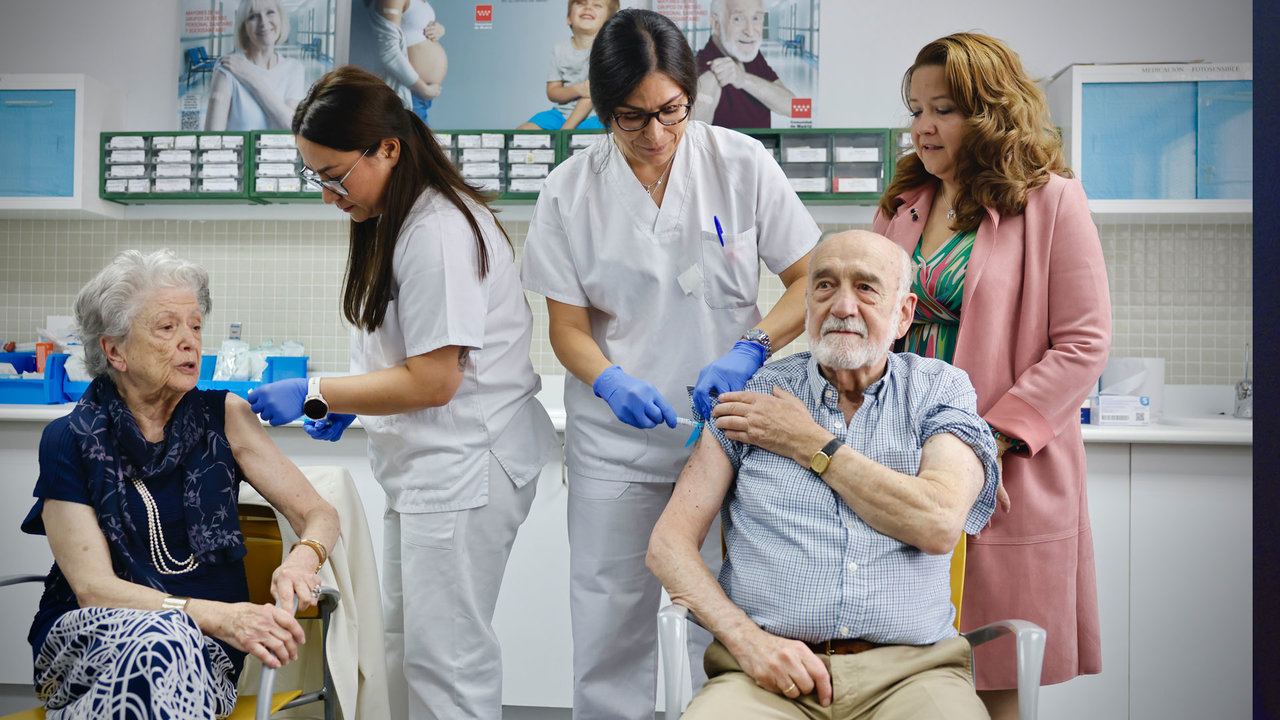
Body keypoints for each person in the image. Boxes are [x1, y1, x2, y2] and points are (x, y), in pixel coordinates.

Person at [520, 9, 818, 719]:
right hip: (615, 446)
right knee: (607, 626)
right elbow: (566, 328)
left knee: (720, 621)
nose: (655, 136)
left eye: (670, 112)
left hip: (724, 438)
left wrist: (753, 347)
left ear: (689, 94)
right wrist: (608, 378)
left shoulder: (741, 165)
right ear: (600, 107)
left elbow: (811, 280)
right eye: (630, 117)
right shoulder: (569, 192)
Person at [246, 65, 558, 720]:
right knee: (405, 647)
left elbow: (435, 379)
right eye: (317, 179)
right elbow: (406, 358)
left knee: (447, 660)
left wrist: (318, 391)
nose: (330, 195)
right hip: (432, 469)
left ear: (387, 148)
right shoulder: (394, 215)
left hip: (466, 466)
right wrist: (340, 400)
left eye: (336, 176)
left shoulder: (437, 230)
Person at [647, 230, 1000, 719]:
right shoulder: (757, 394)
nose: (842, 306)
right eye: (825, 286)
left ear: (904, 314)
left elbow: (938, 523)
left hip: (913, 674)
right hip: (765, 675)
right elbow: (668, 544)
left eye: (866, 288)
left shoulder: (937, 389)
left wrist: (808, 442)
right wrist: (747, 642)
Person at [874, 32, 1111, 719]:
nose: (922, 126)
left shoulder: (1052, 203)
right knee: (906, 675)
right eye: (915, 108)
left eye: (942, 108)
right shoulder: (903, 203)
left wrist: (984, 443)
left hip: (1001, 467)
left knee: (996, 672)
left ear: (989, 112)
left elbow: (1082, 343)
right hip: (899, 465)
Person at [20, 249, 340, 718]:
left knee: (170, 646)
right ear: (115, 351)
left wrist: (302, 560)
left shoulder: (226, 417)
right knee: (164, 640)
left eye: (195, 325)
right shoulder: (68, 439)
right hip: (91, 640)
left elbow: (320, 514)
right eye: (168, 328)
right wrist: (217, 616)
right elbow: (94, 590)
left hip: (206, 653)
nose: (190, 342)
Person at [205, 0, 307, 131]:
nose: (263, 23)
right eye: (252, 16)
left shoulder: (294, 68)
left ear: (281, 19)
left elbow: (292, 126)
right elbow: (211, 140)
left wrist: (251, 78)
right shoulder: (228, 67)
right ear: (244, 28)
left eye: (270, 12)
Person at [692, 0, 795, 129]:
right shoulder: (703, 69)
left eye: (756, 18)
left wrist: (742, 79)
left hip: (761, 149)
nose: (750, 32)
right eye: (737, 19)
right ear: (716, 24)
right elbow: (689, 136)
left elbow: (796, 109)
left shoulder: (751, 56)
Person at [517, 0, 618, 131]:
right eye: (581, 3)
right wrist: (577, 89)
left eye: (597, 5)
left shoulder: (607, 51)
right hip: (560, 115)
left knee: (599, 134)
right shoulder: (559, 49)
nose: (587, 7)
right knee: (524, 131)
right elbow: (553, 92)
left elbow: (590, 97)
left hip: (593, 116)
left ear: (608, 23)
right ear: (569, 18)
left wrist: (565, 130)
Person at [363, 0, 446, 123]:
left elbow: (412, 27)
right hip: (409, 93)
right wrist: (423, 89)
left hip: (418, 95)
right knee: (412, 141)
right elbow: (389, 53)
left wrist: (440, 29)